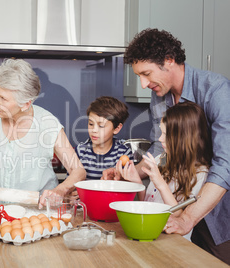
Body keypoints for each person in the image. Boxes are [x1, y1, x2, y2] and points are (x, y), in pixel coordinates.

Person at [105, 28, 230, 264]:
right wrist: (130, 171)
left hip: (219, 212)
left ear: (169, 61)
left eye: (146, 73)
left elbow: (225, 164)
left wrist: (188, 218)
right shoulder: (160, 93)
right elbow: (158, 148)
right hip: (182, 207)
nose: (143, 84)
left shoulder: (216, 90)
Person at [0, 59, 86, 207]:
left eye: (3, 98)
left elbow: (78, 170)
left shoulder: (48, 124)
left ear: (26, 104)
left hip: (39, 211)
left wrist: (59, 191)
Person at [117, 102, 212, 239]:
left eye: (165, 134)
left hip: (172, 241)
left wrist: (160, 183)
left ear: (183, 138)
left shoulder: (199, 174)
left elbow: (180, 216)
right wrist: (137, 182)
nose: (160, 139)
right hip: (151, 233)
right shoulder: (162, 158)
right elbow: (148, 204)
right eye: (161, 132)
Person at [76, 96, 133, 180]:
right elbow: (71, 185)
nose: (94, 130)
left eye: (101, 126)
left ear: (117, 128)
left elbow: (127, 186)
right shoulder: (80, 151)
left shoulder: (124, 153)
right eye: (91, 124)